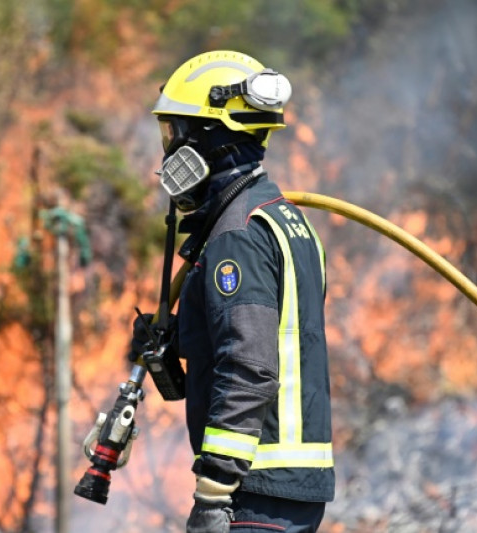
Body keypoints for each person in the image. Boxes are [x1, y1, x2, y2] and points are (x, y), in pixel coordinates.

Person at [132, 50, 335, 533]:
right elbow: (267, 334)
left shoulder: (237, 235)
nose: (167, 153)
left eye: (174, 134)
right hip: (284, 487)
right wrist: (178, 338)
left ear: (211, 138)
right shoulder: (280, 217)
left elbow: (249, 364)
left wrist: (213, 491)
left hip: (255, 489)